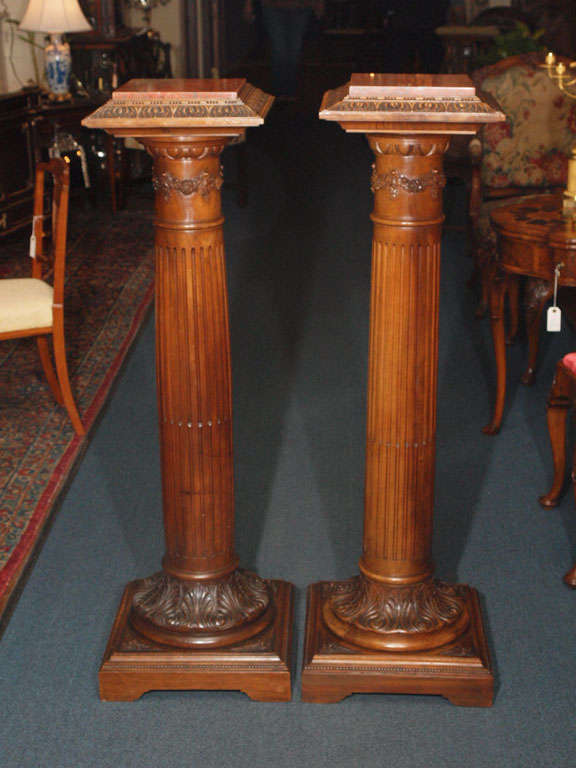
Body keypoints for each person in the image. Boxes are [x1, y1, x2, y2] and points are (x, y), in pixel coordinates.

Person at [244, 0, 324, 96]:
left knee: (294, 50)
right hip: (273, 7)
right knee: (279, 49)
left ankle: (289, 89)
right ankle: (281, 90)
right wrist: (248, 5)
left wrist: (319, 3)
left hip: (300, 7)